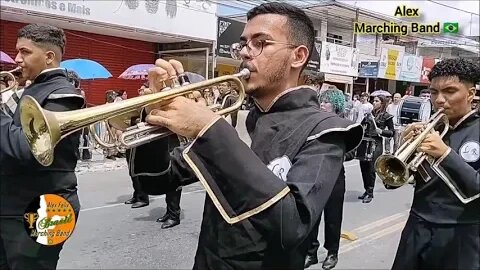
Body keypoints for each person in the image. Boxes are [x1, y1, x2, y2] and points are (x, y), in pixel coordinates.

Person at [141, 3, 363, 269]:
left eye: (260, 43)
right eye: (243, 44)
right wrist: (154, 116)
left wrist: (210, 129)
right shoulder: (243, 120)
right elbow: (155, 181)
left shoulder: (326, 130)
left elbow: (292, 225)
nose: (245, 53)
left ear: (297, 56)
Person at [0, 24, 84, 270]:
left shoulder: (64, 95)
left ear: (49, 57)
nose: (17, 59)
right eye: (17, 51)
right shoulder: (31, 89)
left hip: (45, 207)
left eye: (25, 52)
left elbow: (27, 148)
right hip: (14, 206)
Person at [389, 58, 479, 270]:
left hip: (461, 235)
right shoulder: (431, 128)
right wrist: (402, 150)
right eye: (433, 92)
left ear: (471, 94)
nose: (439, 100)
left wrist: (445, 154)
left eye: (449, 91)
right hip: (417, 228)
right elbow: (391, 183)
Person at [304, 87, 350, 269]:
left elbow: (353, 152)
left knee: (333, 217)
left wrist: (337, 153)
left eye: (327, 101)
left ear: (336, 104)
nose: (322, 104)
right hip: (314, 175)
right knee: (312, 217)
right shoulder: (314, 122)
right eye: (321, 101)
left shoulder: (346, 124)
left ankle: (332, 253)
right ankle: (311, 252)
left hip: (335, 177)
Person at [358, 95, 394, 203]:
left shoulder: (387, 116)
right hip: (366, 142)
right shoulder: (369, 114)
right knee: (363, 167)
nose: (374, 102)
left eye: (377, 101)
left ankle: (370, 192)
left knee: (370, 169)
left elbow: (392, 132)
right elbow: (362, 126)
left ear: (382, 103)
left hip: (376, 143)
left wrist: (382, 132)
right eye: (374, 101)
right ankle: (366, 189)